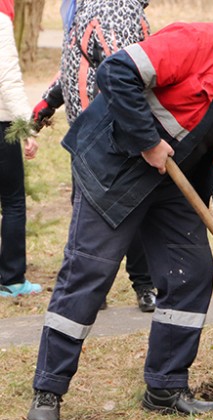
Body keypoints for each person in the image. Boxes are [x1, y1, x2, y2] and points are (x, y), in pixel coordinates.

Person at [26, 0, 213, 420]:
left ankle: (166, 386)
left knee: (191, 273)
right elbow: (114, 72)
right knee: (89, 275)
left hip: (174, 184)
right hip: (114, 169)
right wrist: (148, 141)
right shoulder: (191, 42)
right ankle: (49, 387)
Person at [32, 0, 157, 312]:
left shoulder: (105, 8)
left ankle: (142, 284)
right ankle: (93, 291)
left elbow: (123, 70)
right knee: (90, 214)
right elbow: (80, 68)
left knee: (127, 210)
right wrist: (44, 107)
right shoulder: (96, 9)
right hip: (97, 135)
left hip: (112, 133)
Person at [0, 0, 42, 298]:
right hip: (2, 125)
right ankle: (12, 278)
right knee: (13, 201)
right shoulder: (0, 22)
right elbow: (9, 80)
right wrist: (25, 128)